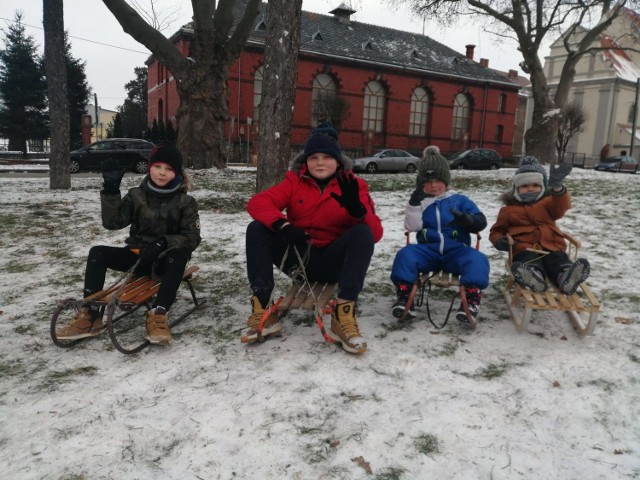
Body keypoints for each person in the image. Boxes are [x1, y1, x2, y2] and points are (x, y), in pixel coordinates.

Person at [242, 123, 383, 354]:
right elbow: (257, 203)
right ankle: (264, 308)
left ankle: (343, 315)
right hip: (300, 260)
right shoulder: (294, 182)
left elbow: (375, 235)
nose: (320, 162)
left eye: (327, 157)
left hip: (333, 263)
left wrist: (358, 212)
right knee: (256, 229)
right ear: (305, 161)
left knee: (362, 232)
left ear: (338, 161)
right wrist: (283, 225)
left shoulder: (354, 185)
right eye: (314, 157)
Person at [57, 142, 201, 345]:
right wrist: (111, 190)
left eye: (168, 169)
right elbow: (112, 223)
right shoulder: (136, 195)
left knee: (177, 255)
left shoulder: (186, 202)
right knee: (98, 252)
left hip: (165, 262)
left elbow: (192, 237)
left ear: (177, 173)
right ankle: (90, 314)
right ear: (150, 167)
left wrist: (163, 243)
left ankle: (159, 314)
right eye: (158, 167)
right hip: (138, 256)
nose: (161, 173)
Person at [390, 146, 489, 325]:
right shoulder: (420, 202)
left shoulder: (459, 200)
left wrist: (468, 221)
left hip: (456, 251)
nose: (434, 185)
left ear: (446, 180)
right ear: (421, 183)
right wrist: (413, 204)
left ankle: (472, 300)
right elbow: (412, 227)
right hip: (428, 250)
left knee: (477, 259)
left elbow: (480, 221)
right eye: (428, 181)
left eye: (438, 180)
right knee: (406, 254)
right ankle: (404, 297)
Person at [489, 156, 590, 294]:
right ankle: (532, 276)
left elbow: (561, 206)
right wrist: (499, 241)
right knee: (527, 260)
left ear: (543, 187)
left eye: (535, 185)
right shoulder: (508, 210)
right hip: (524, 248)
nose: (530, 189)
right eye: (525, 186)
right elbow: (497, 231)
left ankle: (566, 276)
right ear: (516, 189)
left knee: (558, 261)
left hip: (552, 246)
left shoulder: (548, 203)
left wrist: (557, 188)